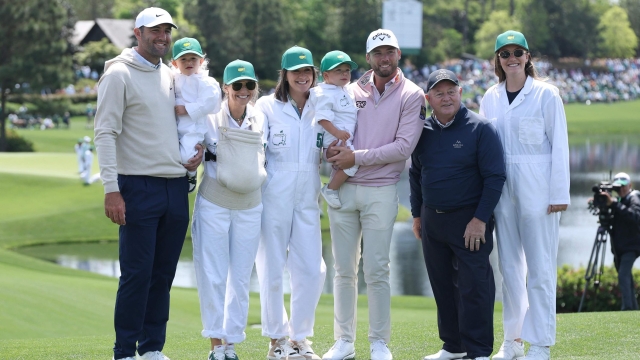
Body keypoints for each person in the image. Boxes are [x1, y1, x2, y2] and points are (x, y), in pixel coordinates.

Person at [93, 7, 203, 360]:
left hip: (175, 187)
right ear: (137, 33)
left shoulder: (170, 76)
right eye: (155, 31)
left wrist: (192, 155)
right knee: (137, 275)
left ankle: (152, 348)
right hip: (137, 187)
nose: (163, 37)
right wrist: (111, 188)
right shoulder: (118, 75)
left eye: (166, 31)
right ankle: (124, 351)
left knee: (163, 276)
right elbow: (105, 132)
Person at [323, 29, 425, 360]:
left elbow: (403, 147)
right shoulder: (349, 91)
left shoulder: (412, 94)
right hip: (345, 191)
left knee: (377, 269)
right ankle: (344, 341)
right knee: (343, 269)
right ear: (368, 58)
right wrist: (332, 151)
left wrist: (356, 158)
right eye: (378, 52)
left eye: (390, 52)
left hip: (381, 190)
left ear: (398, 55)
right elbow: (331, 132)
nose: (385, 58)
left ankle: (379, 342)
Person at [479, 30, 570, 360]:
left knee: (541, 266)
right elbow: (485, 149)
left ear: (528, 57)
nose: (512, 58)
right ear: (498, 61)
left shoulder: (547, 94)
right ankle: (512, 340)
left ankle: (541, 343)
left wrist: (559, 192)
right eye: (505, 53)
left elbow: (559, 145)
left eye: (518, 52)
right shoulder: (490, 97)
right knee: (509, 267)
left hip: (539, 185)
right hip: (502, 187)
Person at [411, 69, 506, 360]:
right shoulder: (422, 131)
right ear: (428, 98)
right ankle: (453, 346)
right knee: (441, 285)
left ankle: (478, 351)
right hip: (433, 220)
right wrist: (417, 215)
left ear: (460, 92)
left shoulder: (481, 128)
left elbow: (495, 177)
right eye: (438, 93)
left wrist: (480, 220)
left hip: (469, 220)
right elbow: (416, 174)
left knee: (474, 286)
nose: (446, 97)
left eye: (451, 91)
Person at [191, 59, 267, 360]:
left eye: (249, 85)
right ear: (226, 88)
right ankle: (216, 344)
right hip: (215, 203)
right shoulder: (209, 117)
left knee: (240, 278)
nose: (244, 90)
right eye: (238, 85)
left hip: (250, 205)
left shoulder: (260, 118)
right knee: (213, 275)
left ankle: (232, 343)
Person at [254, 45, 326, 360]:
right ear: (285, 74)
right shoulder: (267, 106)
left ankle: (300, 337)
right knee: (271, 268)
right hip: (274, 191)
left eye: (307, 71)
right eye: (296, 72)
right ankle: (277, 338)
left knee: (313, 269)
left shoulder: (322, 106)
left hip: (308, 191)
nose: (303, 77)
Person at [309, 50, 359, 209]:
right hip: (335, 137)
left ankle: (334, 186)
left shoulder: (343, 89)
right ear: (326, 75)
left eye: (347, 71)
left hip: (341, 136)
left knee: (347, 163)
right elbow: (322, 118)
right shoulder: (325, 93)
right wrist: (337, 133)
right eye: (338, 70)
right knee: (353, 163)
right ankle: (331, 189)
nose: (344, 74)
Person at [171, 37, 221, 193]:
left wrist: (187, 109)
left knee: (187, 156)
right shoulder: (173, 79)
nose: (188, 62)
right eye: (183, 59)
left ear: (201, 60)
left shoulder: (206, 81)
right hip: (174, 126)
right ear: (174, 63)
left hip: (193, 127)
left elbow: (211, 102)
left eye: (193, 58)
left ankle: (191, 175)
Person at [599, 172, 640, 311]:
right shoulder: (619, 201)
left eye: (623, 187)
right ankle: (634, 310)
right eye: (618, 187)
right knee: (626, 277)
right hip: (619, 248)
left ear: (630, 185)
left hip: (631, 247)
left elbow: (635, 217)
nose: (621, 190)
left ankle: (627, 309)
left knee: (623, 275)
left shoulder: (634, 197)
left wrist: (615, 204)